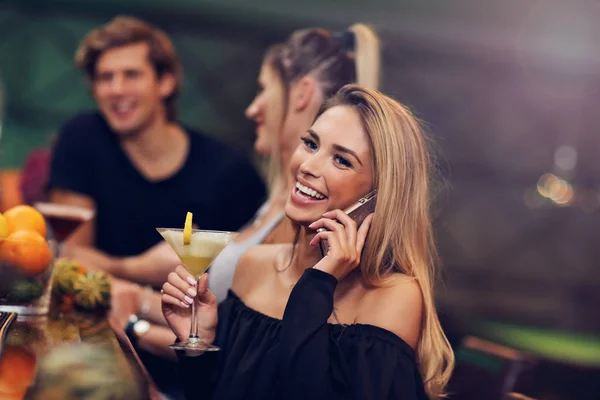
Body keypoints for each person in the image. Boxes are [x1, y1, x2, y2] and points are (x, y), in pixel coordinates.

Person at [162, 85, 455, 399]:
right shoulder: (254, 264)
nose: (308, 166)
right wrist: (200, 345)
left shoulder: (392, 297)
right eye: (311, 144)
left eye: (341, 160)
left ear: (377, 199)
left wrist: (318, 284)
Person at [47, 16, 265, 397]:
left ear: (165, 82)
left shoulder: (229, 173)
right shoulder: (84, 139)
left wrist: (123, 287)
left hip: (190, 366)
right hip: (96, 344)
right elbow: (70, 258)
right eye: (104, 77)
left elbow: (238, 310)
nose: (116, 90)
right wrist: (140, 268)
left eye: (131, 74)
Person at [209, 24, 381, 303]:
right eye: (311, 145)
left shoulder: (305, 214)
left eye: (263, 89)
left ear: (303, 93)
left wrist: (137, 313)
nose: (252, 108)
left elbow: (251, 334)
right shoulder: (280, 198)